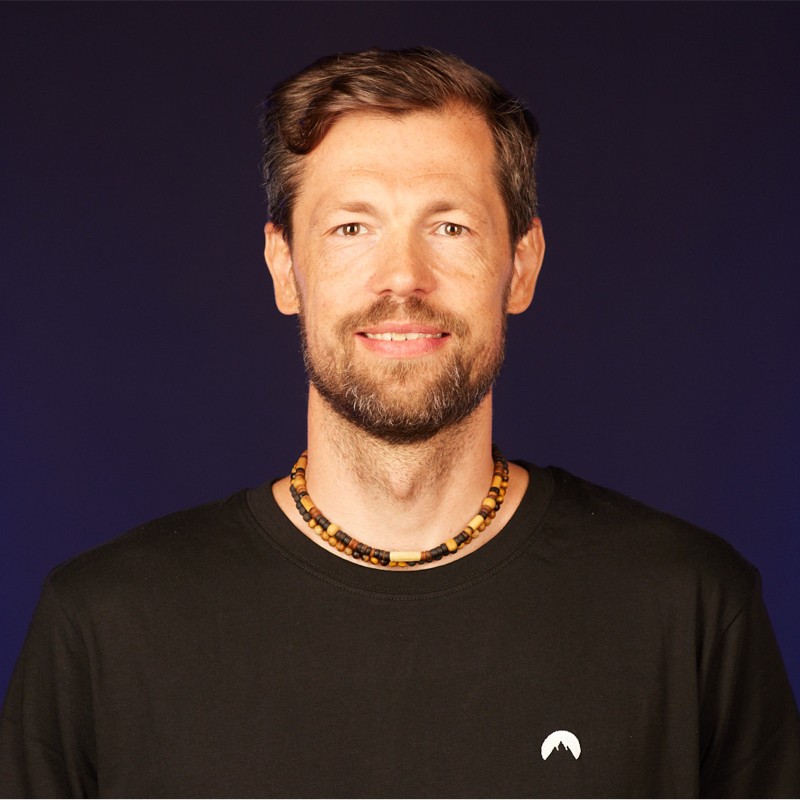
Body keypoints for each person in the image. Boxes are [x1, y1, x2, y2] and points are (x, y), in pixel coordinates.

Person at [1, 46, 798, 799]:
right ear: (286, 268)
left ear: (521, 265)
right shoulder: (102, 629)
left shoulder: (689, 608)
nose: (403, 279)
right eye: (352, 227)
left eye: (450, 226)